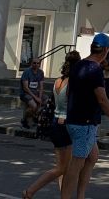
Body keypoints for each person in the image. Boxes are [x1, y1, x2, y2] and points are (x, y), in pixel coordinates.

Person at [60, 33, 109, 199]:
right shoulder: (95, 69)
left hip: (74, 118)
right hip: (85, 122)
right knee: (76, 165)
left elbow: (68, 92)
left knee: (92, 156)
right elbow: (103, 99)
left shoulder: (79, 65)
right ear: (104, 50)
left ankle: (80, 196)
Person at [23, 51, 81, 199]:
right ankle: (30, 191)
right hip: (65, 124)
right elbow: (72, 104)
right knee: (62, 168)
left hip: (55, 122)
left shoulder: (58, 81)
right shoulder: (73, 82)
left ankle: (64, 195)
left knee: (62, 167)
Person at [21, 59, 45, 129]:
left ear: (40, 64)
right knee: (34, 105)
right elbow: (26, 88)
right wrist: (36, 98)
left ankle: (34, 117)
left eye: (38, 63)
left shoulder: (41, 72)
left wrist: (40, 98)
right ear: (31, 63)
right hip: (26, 93)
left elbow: (41, 86)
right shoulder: (27, 72)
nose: (36, 64)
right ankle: (25, 119)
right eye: (34, 63)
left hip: (35, 93)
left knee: (46, 101)